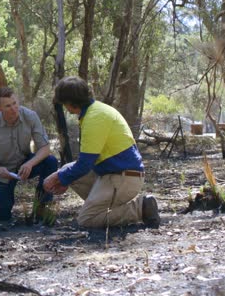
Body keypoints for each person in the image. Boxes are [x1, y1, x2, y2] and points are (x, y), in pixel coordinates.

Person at [43, 76, 160, 227]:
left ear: (70, 103)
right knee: (67, 170)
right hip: (113, 174)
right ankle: (103, 209)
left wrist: (59, 177)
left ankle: (140, 208)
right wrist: (64, 177)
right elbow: (85, 164)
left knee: (86, 220)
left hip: (123, 177)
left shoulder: (94, 118)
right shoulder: (95, 110)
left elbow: (84, 165)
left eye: (64, 103)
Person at [0, 87, 58, 224]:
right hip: (3, 172)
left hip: (25, 163)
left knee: (50, 161)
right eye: (8, 106)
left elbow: (45, 148)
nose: (14, 108)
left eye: (15, 103)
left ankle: (41, 207)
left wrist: (30, 163)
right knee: (2, 215)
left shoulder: (30, 116)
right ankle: (2, 208)